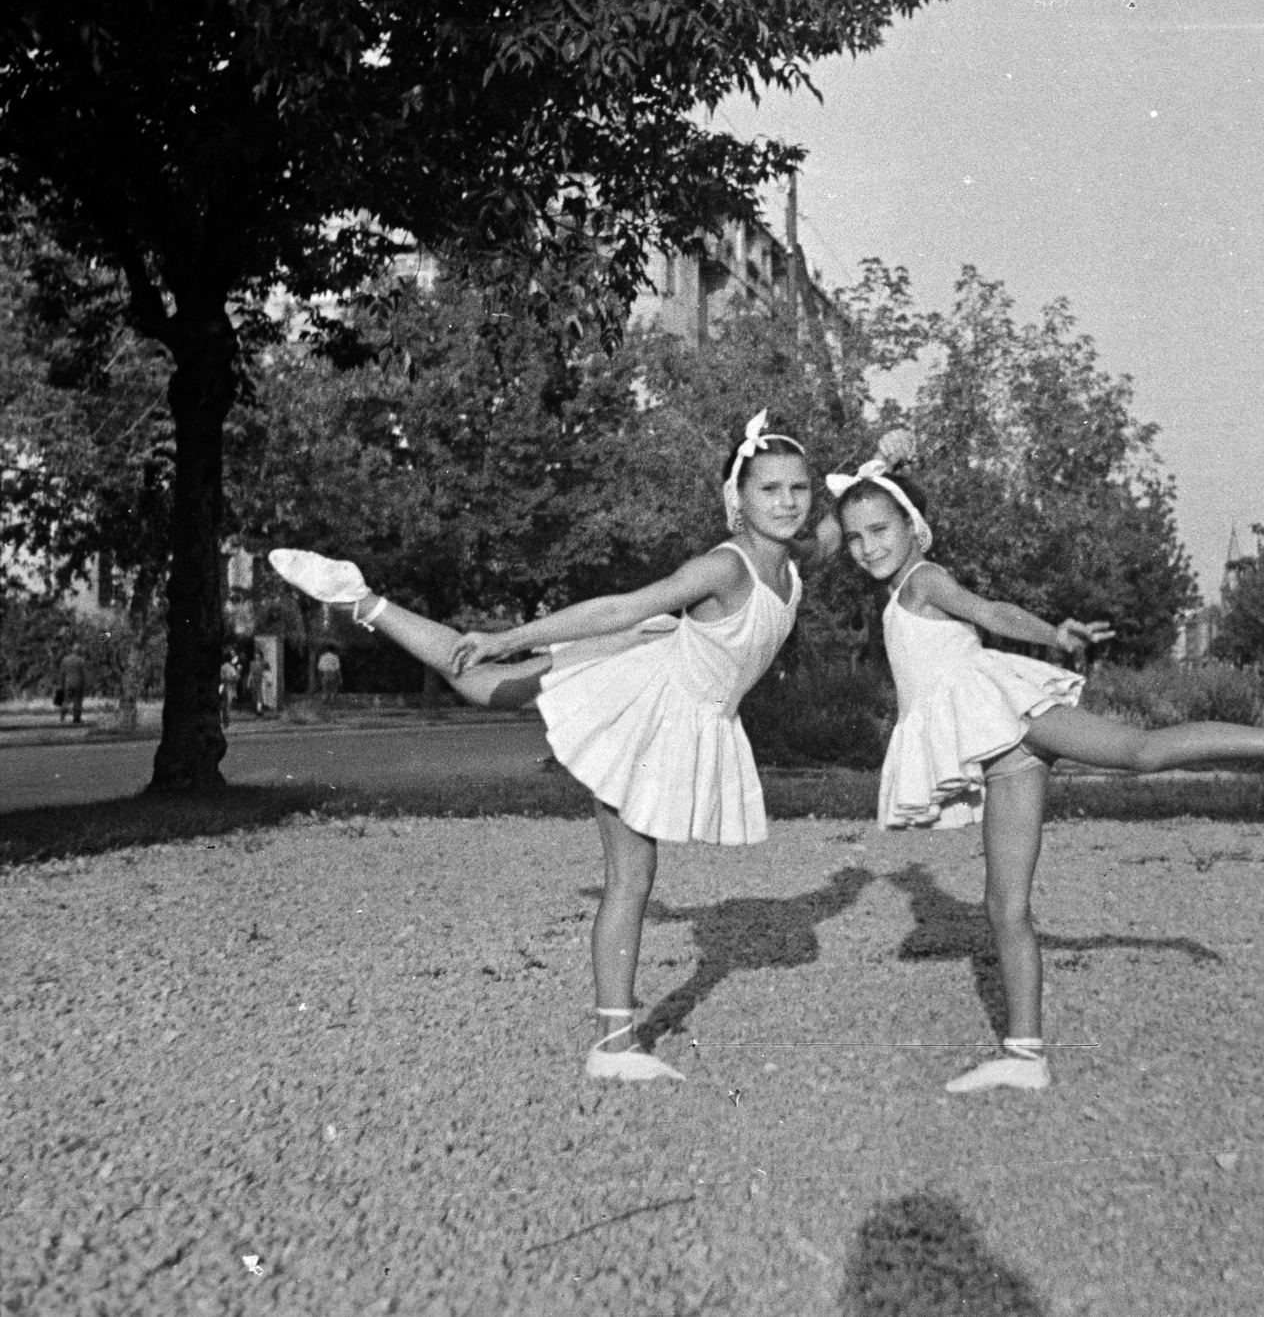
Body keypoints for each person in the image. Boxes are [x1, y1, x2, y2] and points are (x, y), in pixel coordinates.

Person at [268, 411, 839, 1084]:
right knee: (626, 868)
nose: (787, 503)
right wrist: (511, 636)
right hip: (647, 703)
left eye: (798, 489)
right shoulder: (725, 566)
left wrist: (874, 471)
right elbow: (618, 607)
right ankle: (614, 1045)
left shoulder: (796, 560)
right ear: (736, 500)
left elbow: (831, 532)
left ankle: (361, 598)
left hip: (681, 692)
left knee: (491, 691)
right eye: (768, 489)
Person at [829, 438, 1264, 1096]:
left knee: (1141, 753)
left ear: (912, 526)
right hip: (1004, 759)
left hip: (1014, 717)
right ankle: (1026, 1054)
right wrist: (872, 457)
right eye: (857, 537)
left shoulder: (924, 579)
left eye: (879, 529)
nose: (866, 546)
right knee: (1004, 905)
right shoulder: (893, 585)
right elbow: (827, 527)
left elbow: (991, 613)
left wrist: (1054, 635)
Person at [58, 647, 86, 725]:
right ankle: (76, 719)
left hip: (68, 683)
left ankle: (62, 716)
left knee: (66, 700)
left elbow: (62, 673)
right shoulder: (81, 660)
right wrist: (85, 683)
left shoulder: (65, 659)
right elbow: (84, 673)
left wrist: (61, 684)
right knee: (77, 701)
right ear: (79, 651)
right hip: (78, 683)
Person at [219, 654, 240, 728]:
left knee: (225, 704)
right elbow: (235, 677)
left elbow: (222, 677)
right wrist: (238, 671)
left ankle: (225, 721)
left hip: (224, 686)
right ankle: (226, 722)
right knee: (228, 705)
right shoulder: (230, 667)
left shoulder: (222, 667)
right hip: (230, 687)